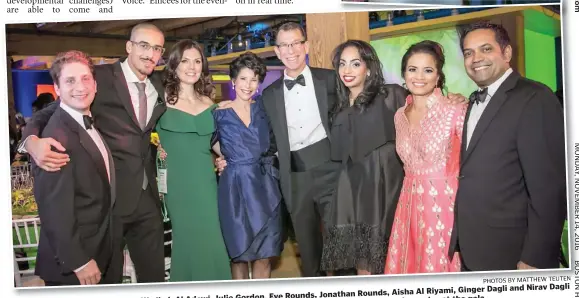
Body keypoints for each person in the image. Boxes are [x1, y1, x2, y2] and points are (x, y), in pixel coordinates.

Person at [19, 23, 168, 283]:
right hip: (110, 201)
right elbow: (48, 112)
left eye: (157, 48)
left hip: (147, 198)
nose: (150, 54)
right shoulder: (95, 78)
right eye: (144, 45)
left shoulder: (159, 82)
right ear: (129, 47)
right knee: (107, 277)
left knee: (153, 277)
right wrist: (30, 141)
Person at [217, 21, 340, 277]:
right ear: (277, 50)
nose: (291, 50)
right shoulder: (268, 96)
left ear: (305, 45)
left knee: (340, 238)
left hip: (332, 170)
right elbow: (261, 138)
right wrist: (226, 156)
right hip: (293, 176)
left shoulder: (329, 79)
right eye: (284, 45)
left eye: (295, 43)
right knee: (308, 249)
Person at [448, 21, 567, 271]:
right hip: (474, 249)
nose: (476, 58)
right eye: (469, 53)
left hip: (513, 253)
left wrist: (535, 258)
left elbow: (549, 189)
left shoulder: (534, 98)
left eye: (486, 49)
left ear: (507, 53)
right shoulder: (473, 101)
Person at [320, 40, 405, 275]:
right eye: (342, 64)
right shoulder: (336, 108)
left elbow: (424, 112)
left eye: (355, 63)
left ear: (368, 67)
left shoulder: (391, 95)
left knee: (385, 261)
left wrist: (453, 98)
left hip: (383, 189)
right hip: (351, 191)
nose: (347, 70)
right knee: (360, 264)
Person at [33, 50, 115, 286]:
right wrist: (78, 261)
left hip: (98, 247)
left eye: (85, 78)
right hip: (74, 265)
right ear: (57, 89)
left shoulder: (86, 121)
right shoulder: (55, 139)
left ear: (95, 84)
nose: (80, 87)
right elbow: (54, 210)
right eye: (70, 81)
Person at [385, 40, 466, 274]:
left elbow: (477, 160)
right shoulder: (399, 115)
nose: (419, 76)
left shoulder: (455, 110)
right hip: (408, 205)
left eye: (428, 70)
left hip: (445, 207)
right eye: (412, 69)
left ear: (438, 76)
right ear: (404, 74)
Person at [156, 39, 231, 281]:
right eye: (185, 61)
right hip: (177, 185)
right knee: (187, 241)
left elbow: (218, 145)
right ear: (174, 65)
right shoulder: (159, 98)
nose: (192, 67)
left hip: (206, 184)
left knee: (212, 239)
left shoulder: (210, 103)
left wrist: (227, 159)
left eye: (197, 61)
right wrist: (154, 150)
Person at [212, 52, 283, 279]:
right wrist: (219, 160)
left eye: (254, 79)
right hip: (234, 190)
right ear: (233, 80)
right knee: (239, 254)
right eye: (243, 78)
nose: (248, 85)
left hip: (266, 188)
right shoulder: (219, 114)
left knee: (265, 254)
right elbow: (208, 146)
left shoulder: (265, 109)